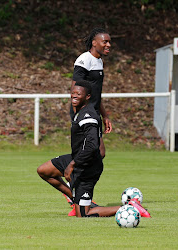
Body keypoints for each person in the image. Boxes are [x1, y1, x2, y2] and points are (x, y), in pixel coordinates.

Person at [37, 81, 150, 218]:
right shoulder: (82, 112)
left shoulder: (88, 116)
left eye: (78, 94)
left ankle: (129, 206)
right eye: (73, 93)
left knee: (84, 214)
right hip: (78, 159)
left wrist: (72, 165)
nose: (74, 96)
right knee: (44, 170)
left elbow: (91, 145)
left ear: (88, 96)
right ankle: (75, 198)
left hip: (87, 167)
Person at [62, 27, 113, 214]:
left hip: (92, 112)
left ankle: (78, 193)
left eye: (109, 42)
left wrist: (104, 115)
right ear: (94, 42)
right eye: (104, 41)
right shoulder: (84, 60)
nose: (108, 45)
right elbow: (76, 88)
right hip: (85, 113)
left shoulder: (98, 62)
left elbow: (95, 94)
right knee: (94, 151)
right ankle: (75, 191)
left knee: (97, 153)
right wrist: (79, 115)